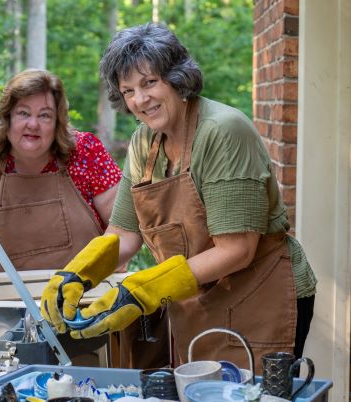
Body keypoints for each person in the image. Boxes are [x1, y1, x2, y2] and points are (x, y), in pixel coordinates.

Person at [40, 23, 317, 372]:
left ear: (177, 77)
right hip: (199, 299)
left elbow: (237, 249)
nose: (140, 100)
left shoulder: (222, 132)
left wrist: (144, 289)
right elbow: (123, 234)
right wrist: (75, 275)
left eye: (149, 83)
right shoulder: (144, 142)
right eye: (128, 90)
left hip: (260, 294)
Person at [0, 69, 121, 279]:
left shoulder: (86, 153)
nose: (33, 124)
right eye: (23, 113)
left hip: (83, 301)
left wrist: (107, 269)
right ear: (7, 118)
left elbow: (121, 226)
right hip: (1, 305)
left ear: (58, 122)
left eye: (45, 115)